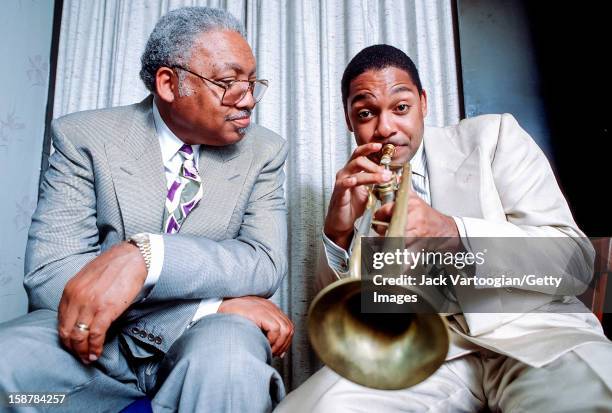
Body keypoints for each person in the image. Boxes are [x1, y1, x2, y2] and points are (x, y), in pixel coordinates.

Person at [276, 44, 612, 412]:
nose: (385, 128)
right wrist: (337, 233)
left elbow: (577, 263)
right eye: (366, 113)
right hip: (425, 354)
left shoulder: (493, 137)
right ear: (349, 120)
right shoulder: (357, 189)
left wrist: (454, 232)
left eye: (401, 108)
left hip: (535, 333)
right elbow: (343, 318)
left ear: (423, 103)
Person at [0, 6, 293, 412]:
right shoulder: (82, 137)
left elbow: (262, 262)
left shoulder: (264, 151)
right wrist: (212, 304)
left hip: (210, 336)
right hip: (93, 345)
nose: (248, 100)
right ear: (170, 84)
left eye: (252, 82)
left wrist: (149, 258)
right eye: (228, 82)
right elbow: (50, 276)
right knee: (6, 365)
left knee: (231, 363)